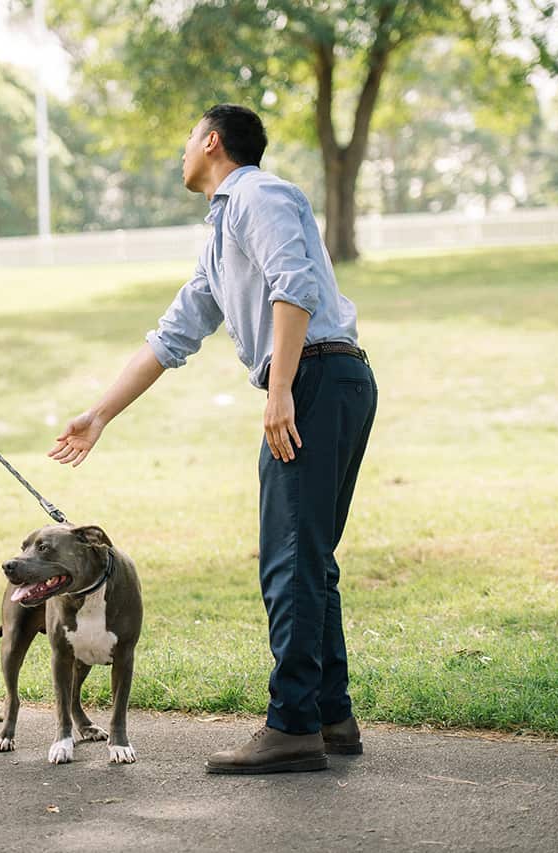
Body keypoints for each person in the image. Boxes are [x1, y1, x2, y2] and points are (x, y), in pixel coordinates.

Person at [48, 103, 378, 774]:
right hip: (319, 380)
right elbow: (172, 336)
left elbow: (296, 286)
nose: (181, 153)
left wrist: (280, 388)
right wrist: (100, 413)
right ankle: (329, 713)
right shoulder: (222, 233)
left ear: (213, 141)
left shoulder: (258, 194)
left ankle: (291, 725)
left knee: (289, 561)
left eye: (186, 139)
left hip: (314, 379)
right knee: (308, 558)